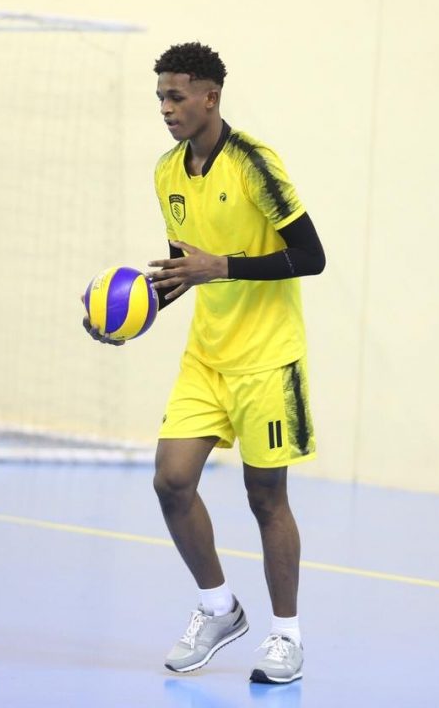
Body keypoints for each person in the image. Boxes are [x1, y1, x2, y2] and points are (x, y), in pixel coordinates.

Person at [83, 41, 325, 685]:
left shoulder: (255, 164)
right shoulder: (167, 172)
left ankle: (286, 636)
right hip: (207, 357)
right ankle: (219, 608)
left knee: (266, 497)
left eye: (177, 96)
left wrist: (225, 266)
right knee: (171, 482)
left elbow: (311, 256)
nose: (166, 108)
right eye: (160, 97)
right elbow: (183, 270)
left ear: (210, 97)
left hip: (269, 360)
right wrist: (125, 316)